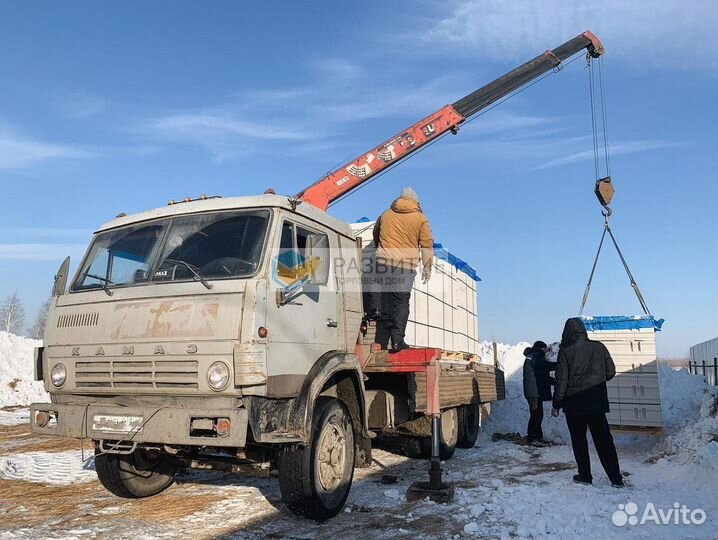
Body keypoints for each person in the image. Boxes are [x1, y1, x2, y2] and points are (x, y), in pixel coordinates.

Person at [552, 317, 624, 487]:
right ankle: (616, 478)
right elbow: (611, 371)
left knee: (579, 441)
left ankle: (585, 476)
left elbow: (561, 381)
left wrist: (557, 404)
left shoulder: (566, 351)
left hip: (574, 406)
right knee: (604, 442)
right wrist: (597, 381)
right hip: (596, 404)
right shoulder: (599, 347)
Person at [366, 187, 434, 351]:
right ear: (416, 202)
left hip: (383, 260)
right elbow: (426, 244)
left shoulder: (385, 214)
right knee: (401, 301)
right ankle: (397, 341)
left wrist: (380, 248)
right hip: (405, 265)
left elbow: (376, 234)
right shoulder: (421, 218)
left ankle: (375, 308)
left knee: (374, 278)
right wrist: (427, 266)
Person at [522, 340, 556, 446]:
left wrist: (555, 382)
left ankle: (537, 437)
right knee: (536, 415)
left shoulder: (533, 356)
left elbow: (542, 377)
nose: (546, 351)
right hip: (534, 392)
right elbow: (546, 366)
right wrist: (560, 364)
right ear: (541, 348)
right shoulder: (535, 356)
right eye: (545, 348)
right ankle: (532, 438)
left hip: (535, 391)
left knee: (537, 415)